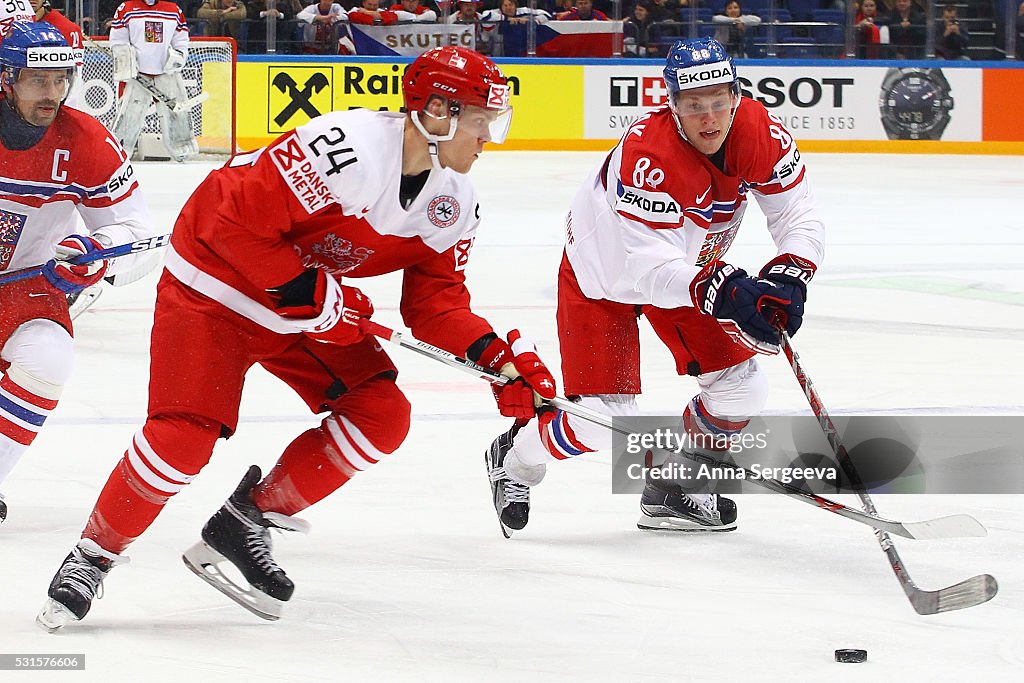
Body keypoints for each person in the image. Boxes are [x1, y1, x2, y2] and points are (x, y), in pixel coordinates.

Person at [36, 45, 557, 630]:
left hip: (299, 304)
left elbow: (435, 304)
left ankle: (245, 520)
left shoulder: (453, 204)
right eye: (482, 120)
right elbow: (234, 225)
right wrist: (318, 298)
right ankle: (91, 557)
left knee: (382, 412)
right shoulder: (348, 146)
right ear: (436, 114)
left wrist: (498, 360)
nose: (490, 137)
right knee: (184, 437)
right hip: (215, 289)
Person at [484, 37, 824, 536]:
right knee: (602, 421)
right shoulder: (650, 156)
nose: (708, 118)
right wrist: (726, 292)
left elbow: (797, 213)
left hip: (687, 272)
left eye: (718, 102)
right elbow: (647, 270)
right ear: (672, 104)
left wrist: (793, 271)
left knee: (741, 389)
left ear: (736, 95)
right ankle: (513, 460)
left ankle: (677, 489)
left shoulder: (760, 132)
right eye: (693, 106)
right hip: (603, 278)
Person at [0, 21, 157, 526]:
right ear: (6, 78)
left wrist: (97, 251)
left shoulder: (87, 142)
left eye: (61, 80)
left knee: (48, 358)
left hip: (26, 289)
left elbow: (138, 231)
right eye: (37, 81)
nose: (53, 94)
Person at [109, 0, 196, 162]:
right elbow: (117, 40)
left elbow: (182, 40)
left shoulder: (173, 10)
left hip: (166, 72)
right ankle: (120, 151)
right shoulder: (126, 8)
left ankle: (182, 147)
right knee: (130, 113)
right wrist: (126, 60)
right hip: (137, 74)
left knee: (176, 111)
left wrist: (178, 57)